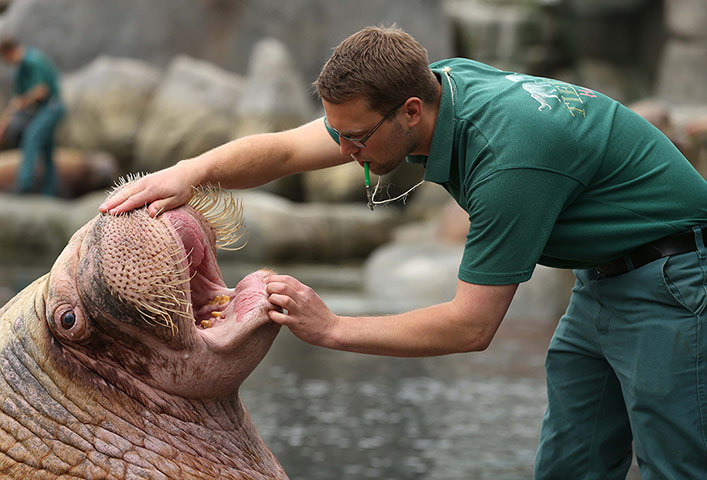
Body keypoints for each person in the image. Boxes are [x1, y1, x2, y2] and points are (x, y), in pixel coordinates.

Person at [99, 25, 707, 479]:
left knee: (676, 465)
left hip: (674, 281)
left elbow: (470, 327)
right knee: (570, 461)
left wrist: (333, 328)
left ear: (411, 113)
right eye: (339, 134)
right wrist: (191, 171)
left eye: (356, 139)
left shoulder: (510, 161)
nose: (346, 152)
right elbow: (286, 151)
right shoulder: (435, 87)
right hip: (604, 278)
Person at [0, 37, 64, 195]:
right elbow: (16, 100)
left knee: (31, 136)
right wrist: (3, 124)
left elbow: (41, 90)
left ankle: (24, 184)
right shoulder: (21, 68)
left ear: (8, 52)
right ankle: (50, 192)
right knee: (47, 150)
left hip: (51, 108)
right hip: (41, 110)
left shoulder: (33, 61)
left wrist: (24, 101)